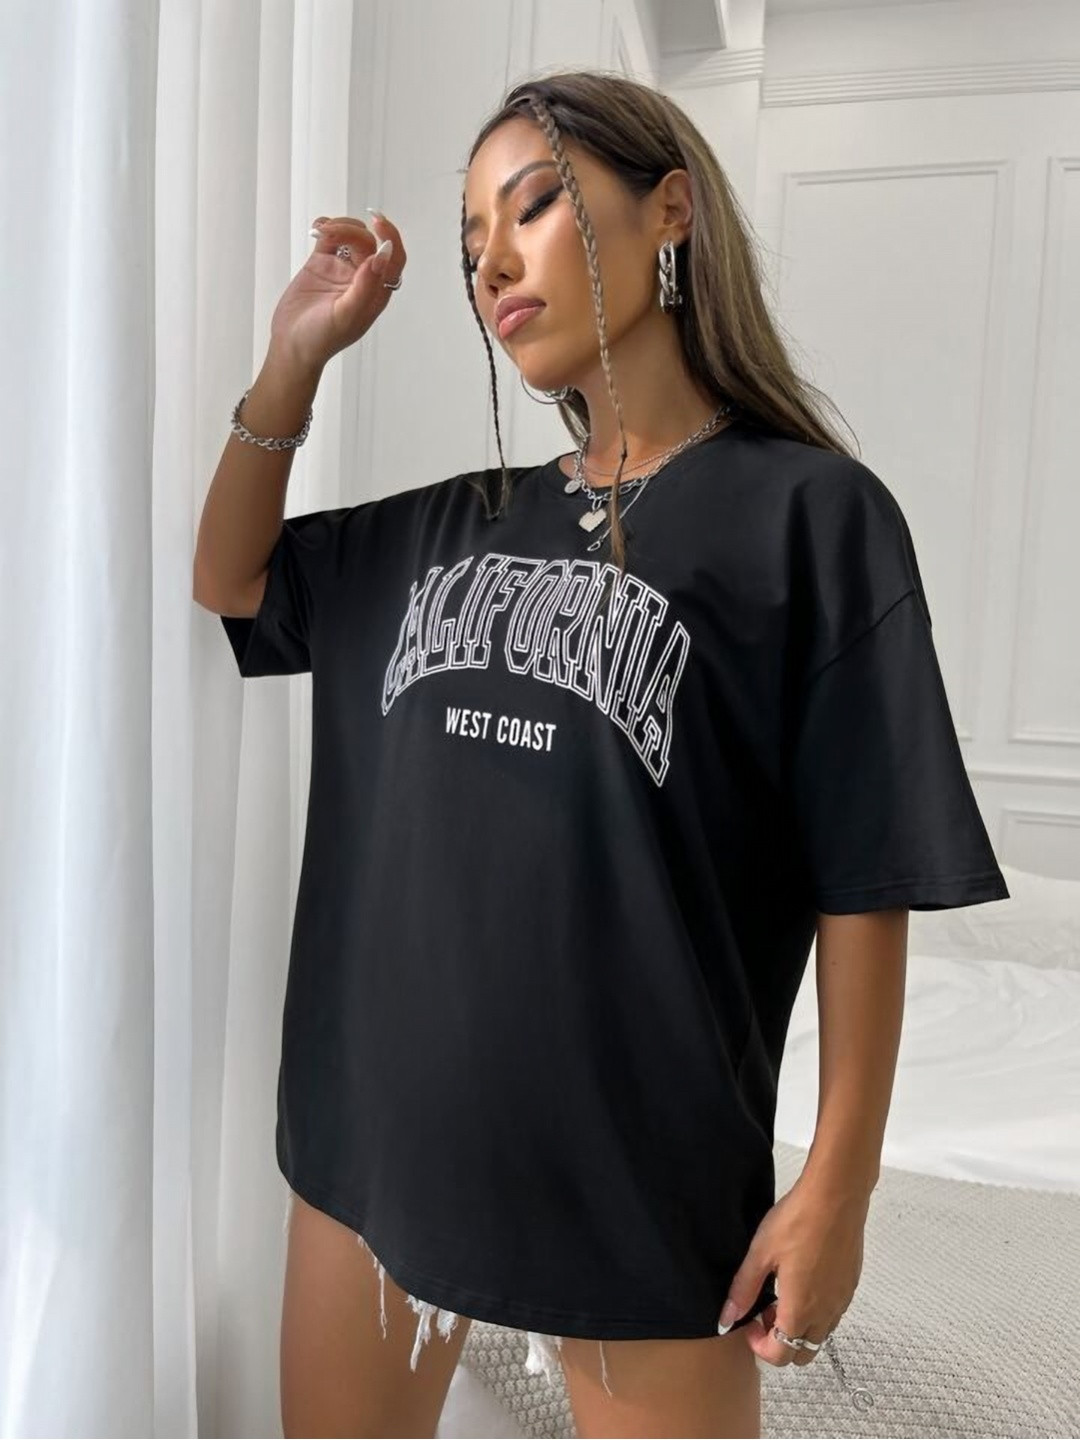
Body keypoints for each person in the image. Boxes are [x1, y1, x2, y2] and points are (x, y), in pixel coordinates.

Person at [193, 69, 1010, 1440]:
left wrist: (840, 1184)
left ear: (670, 210)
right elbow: (231, 577)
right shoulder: (446, 526)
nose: (491, 264)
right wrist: (296, 356)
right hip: (373, 1137)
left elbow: (864, 867)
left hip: (637, 1160)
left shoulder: (812, 516)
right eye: (470, 243)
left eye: (531, 209)